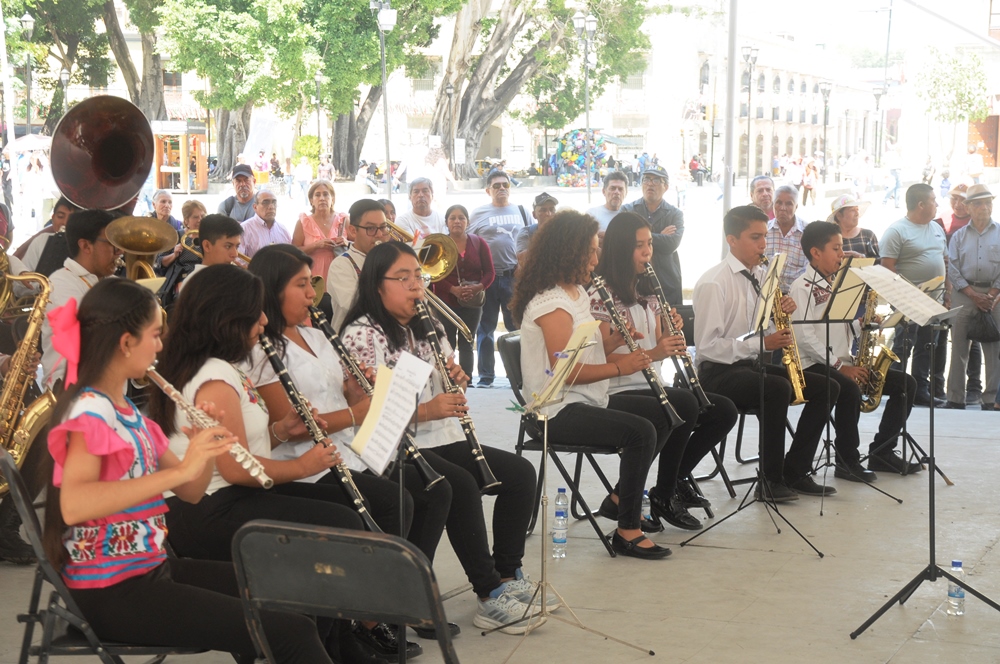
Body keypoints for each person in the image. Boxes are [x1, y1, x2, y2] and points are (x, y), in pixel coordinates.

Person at [41, 278, 335, 663]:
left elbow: (192, 492)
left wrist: (205, 447)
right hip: (111, 590)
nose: (160, 346)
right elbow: (75, 505)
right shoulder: (90, 412)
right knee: (291, 632)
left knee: (295, 588)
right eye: (154, 335)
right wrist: (179, 472)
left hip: (149, 569)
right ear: (126, 342)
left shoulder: (127, 412)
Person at [247, 246, 454, 650]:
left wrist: (360, 388)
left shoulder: (315, 335)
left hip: (350, 447)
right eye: (301, 285)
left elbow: (340, 392)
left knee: (428, 492)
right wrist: (357, 410)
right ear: (272, 290)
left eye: (311, 284)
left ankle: (390, 600)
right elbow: (292, 426)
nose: (313, 294)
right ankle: (366, 617)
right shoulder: (262, 349)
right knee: (393, 503)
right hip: (304, 462)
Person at [341, 241, 549, 633]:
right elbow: (370, 411)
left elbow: (441, 383)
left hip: (440, 435)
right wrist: (428, 410)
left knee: (520, 474)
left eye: (417, 277)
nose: (415, 286)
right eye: (402, 278)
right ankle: (487, 592)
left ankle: (507, 576)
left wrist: (456, 379)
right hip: (391, 444)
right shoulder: (363, 335)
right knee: (459, 485)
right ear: (377, 285)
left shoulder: (428, 325)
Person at [509, 212, 672, 558]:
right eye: (590, 253)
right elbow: (565, 370)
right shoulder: (552, 303)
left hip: (583, 398)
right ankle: (628, 529)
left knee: (664, 412)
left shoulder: (575, 293)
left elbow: (581, 349)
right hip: (554, 410)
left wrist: (611, 343)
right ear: (569, 253)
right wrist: (619, 366)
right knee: (641, 432)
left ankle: (620, 498)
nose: (596, 261)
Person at [591, 212, 738, 529]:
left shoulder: (646, 289)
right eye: (639, 246)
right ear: (620, 249)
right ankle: (663, 494)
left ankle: (663, 484)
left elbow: (659, 341)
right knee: (682, 404)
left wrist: (671, 331)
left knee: (723, 411)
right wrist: (657, 351)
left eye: (650, 244)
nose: (648, 252)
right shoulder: (600, 295)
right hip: (615, 388)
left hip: (650, 383)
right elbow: (600, 355)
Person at [692, 205, 838, 502]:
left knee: (827, 387)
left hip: (749, 366)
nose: (763, 245)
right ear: (732, 240)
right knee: (777, 388)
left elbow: (759, 329)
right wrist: (763, 344)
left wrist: (779, 317)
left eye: (764, 237)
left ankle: (795, 470)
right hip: (715, 373)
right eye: (755, 237)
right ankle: (770, 481)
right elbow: (708, 347)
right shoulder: (714, 282)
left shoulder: (761, 276)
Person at [790, 221, 918, 480]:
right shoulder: (801, 287)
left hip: (841, 361)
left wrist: (862, 325)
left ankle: (882, 451)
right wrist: (840, 367)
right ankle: (846, 460)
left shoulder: (838, 285)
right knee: (848, 388)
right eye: (836, 248)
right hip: (813, 364)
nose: (842, 254)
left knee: (906, 384)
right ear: (816, 252)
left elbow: (841, 328)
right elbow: (804, 337)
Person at [881, 183, 949, 408]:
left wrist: (947, 294)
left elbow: (945, 261)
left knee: (927, 346)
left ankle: (920, 390)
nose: (937, 204)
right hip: (907, 302)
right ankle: (897, 387)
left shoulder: (937, 228)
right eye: (933, 200)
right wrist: (904, 295)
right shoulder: (897, 231)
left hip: (934, 301)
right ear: (921, 204)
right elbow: (887, 267)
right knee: (903, 345)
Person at [41, 210, 123, 390]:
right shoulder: (60, 283)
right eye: (112, 244)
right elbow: (89, 336)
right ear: (86, 246)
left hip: (109, 389)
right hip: (69, 390)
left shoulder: (112, 281)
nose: (120, 251)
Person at [468, 169, 529, 387]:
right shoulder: (478, 213)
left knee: (517, 329)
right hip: (489, 278)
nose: (502, 188)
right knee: (485, 329)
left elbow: (532, 238)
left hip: (514, 277)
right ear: (488, 190)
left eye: (505, 185)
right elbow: (469, 242)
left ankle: (519, 376)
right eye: (496, 185)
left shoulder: (522, 211)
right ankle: (486, 377)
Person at [945, 184, 1000, 411]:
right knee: (958, 347)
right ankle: (955, 398)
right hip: (964, 295)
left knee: (994, 350)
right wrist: (972, 294)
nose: (984, 207)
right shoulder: (958, 236)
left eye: (988, 202)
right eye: (978, 203)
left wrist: (991, 294)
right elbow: (952, 268)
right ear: (968, 207)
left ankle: (991, 399)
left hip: (994, 297)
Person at [431, 205, 494, 377]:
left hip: (473, 303)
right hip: (445, 302)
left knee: (468, 340)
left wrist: (478, 288)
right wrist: (452, 290)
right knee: (447, 342)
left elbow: (490, 272)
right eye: (452, 218)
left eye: (461, 218)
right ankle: (449, 378)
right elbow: (432, 274)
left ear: (468, 222)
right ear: (446, 222)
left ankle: (467, 379)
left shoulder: (479, 243)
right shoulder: (439, 244)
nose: (457, 221)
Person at [935, 184, 981, 405]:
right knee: (941, 338)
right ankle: (939, 386)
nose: (958, 204)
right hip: (944, 286)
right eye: (954, 199)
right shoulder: (940, 222)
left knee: (974, 338)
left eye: (963, 200)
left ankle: (974, 387)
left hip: (970, 289)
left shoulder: (977, 224)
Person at [620, 165, 685, 307]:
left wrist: (639, 238)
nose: (650, 184)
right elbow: (622, 240)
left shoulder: (675, 214)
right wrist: (659, 236)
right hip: (634, 283)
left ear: (666, 187)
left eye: (656, 180)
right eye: (646, 179)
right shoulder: (628, 211)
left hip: (666, 282)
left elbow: (672, 244)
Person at [326, 200, 390, 332]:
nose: (379, 234)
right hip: (352, 338)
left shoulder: (391, 261)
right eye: (371, 228)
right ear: (353, 231)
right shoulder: (341, 265)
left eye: (383, 227)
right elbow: (356, 306)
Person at [292, 180, 348, 280]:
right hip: (313, 275)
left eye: (326, 194)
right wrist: (316, 245)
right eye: (317, 195)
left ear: (333, 199)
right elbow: (294, 252)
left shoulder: (343, 220)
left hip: (339, 274)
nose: (322, 198)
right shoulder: (303, 222)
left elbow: (358, 246)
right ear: (311, 200)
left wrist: (346, 243)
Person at [157, 200, 208, 307]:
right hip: (182, 276)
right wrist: (174, 254)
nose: (200, 220)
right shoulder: (177, 236)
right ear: (186, 220)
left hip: (204, 276)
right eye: (195, 217)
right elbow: (161, 262)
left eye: (202, 216)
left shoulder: (209, 236)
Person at [17, 197, 80, 276]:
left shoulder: (84, 247)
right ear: (53, 218)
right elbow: (26, 272)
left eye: (72, 218)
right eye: (60, 216)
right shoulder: (41, 240)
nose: (65, 222)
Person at [764, 185, 808, 293]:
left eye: (789, 204)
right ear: (773, 204)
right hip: (766, 293)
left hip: (797, 294)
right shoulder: (764, 231)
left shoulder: (807, 233)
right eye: (778, 203)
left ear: (796, 206)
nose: (783, 208)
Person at [241, 189, 292, 259]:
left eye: (274, 202)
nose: (271, 207)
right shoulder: (245, 229)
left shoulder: (283, 230)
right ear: (255, 207)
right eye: (265, 203)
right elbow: (238, 259)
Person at [827, 194, 878, 259]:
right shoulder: (830, 239)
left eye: (857, 209)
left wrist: (862, 258)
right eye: (852, 210)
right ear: (839, 215)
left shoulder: (868, 235)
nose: (857, 214)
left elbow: (879, 261)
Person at [514, 192, 558, 261]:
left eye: (552, 210)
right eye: (543, 210)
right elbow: (522, 259)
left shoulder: (563, 232)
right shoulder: (526, 232)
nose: (548, 214)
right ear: (534, 215)